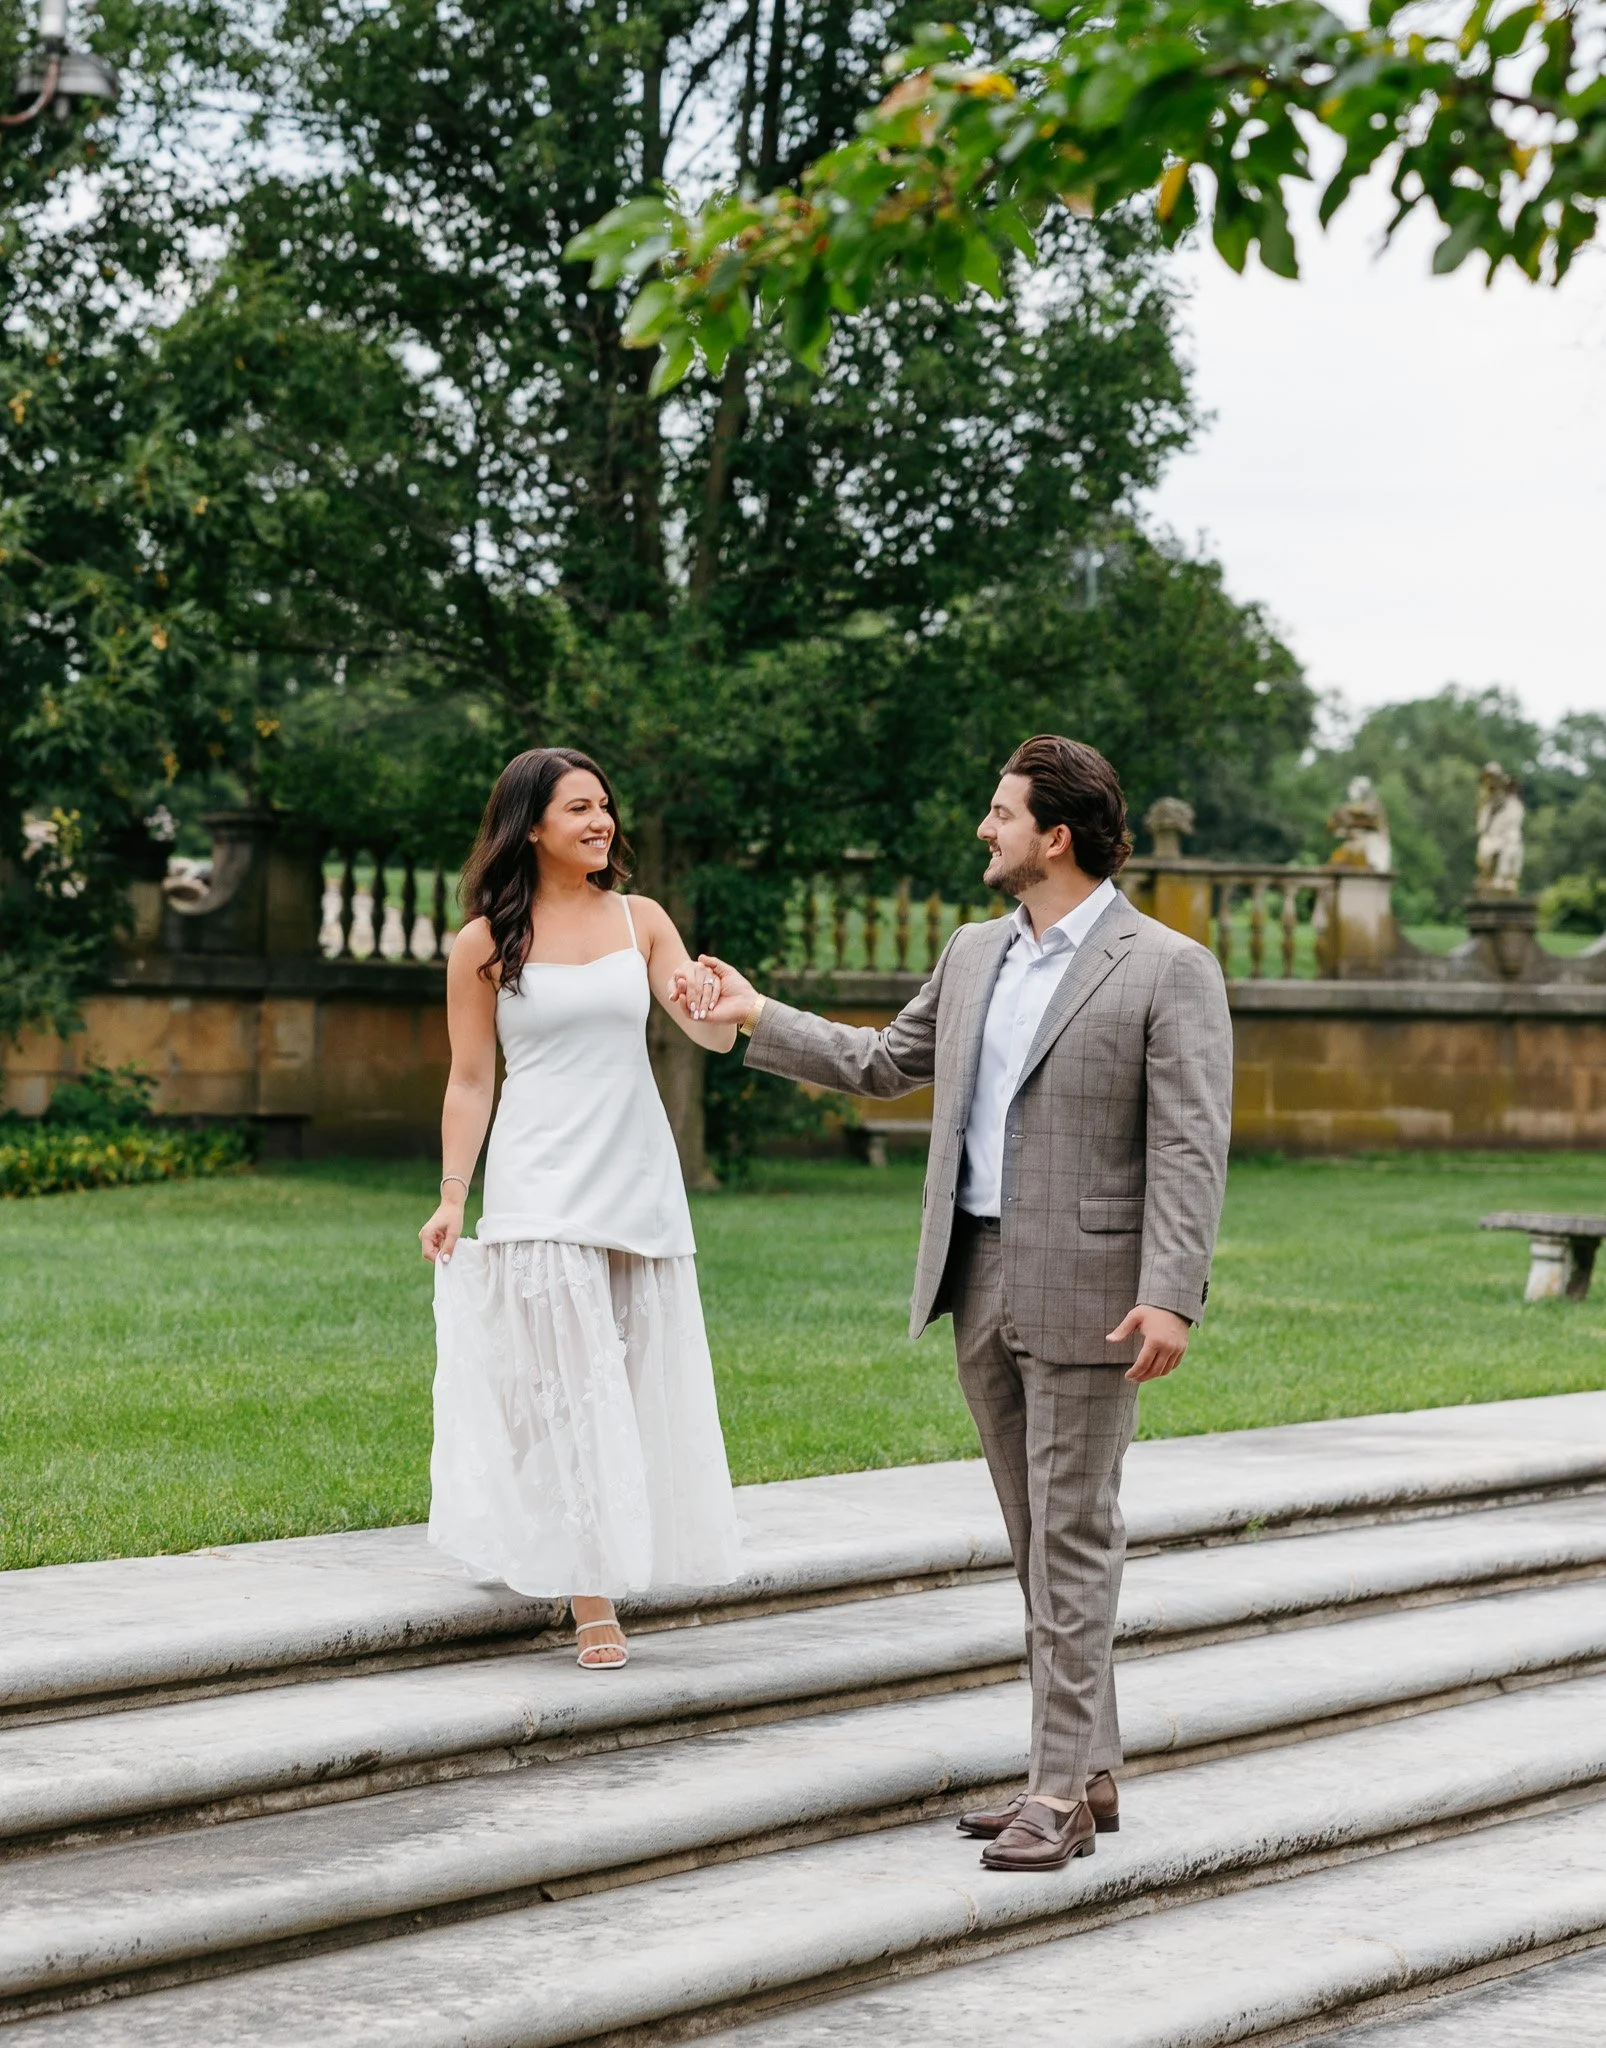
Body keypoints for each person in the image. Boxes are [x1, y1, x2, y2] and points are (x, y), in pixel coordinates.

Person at [672, 735, 1232, 1866]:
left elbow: (1189, 1142)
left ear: (1055, 836)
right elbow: (884, 1063)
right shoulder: (976, 950)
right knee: (1037, 1537)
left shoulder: (1167, 966)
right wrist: (755, 1012)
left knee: (1071, 1535)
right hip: (972, 1276)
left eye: (1001, 812)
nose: (985, 827)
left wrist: (1171, 1292)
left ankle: (1055, 1793)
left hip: (1094, 1292)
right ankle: (1091, 1768)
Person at [419, 747, 742, 1669]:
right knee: (568, 1388)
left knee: (621, 1384)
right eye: (578, 809)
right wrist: (453, 1196)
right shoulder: (484, 944)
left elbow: (708, 1036)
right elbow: (470, 1080)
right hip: (540, 1181)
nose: (601, 822)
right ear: (530, 827)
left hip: (635, 1178)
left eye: (604, 806)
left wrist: (713, 999)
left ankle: (541, 1535)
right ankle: (591, 1598)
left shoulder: (642, 919)